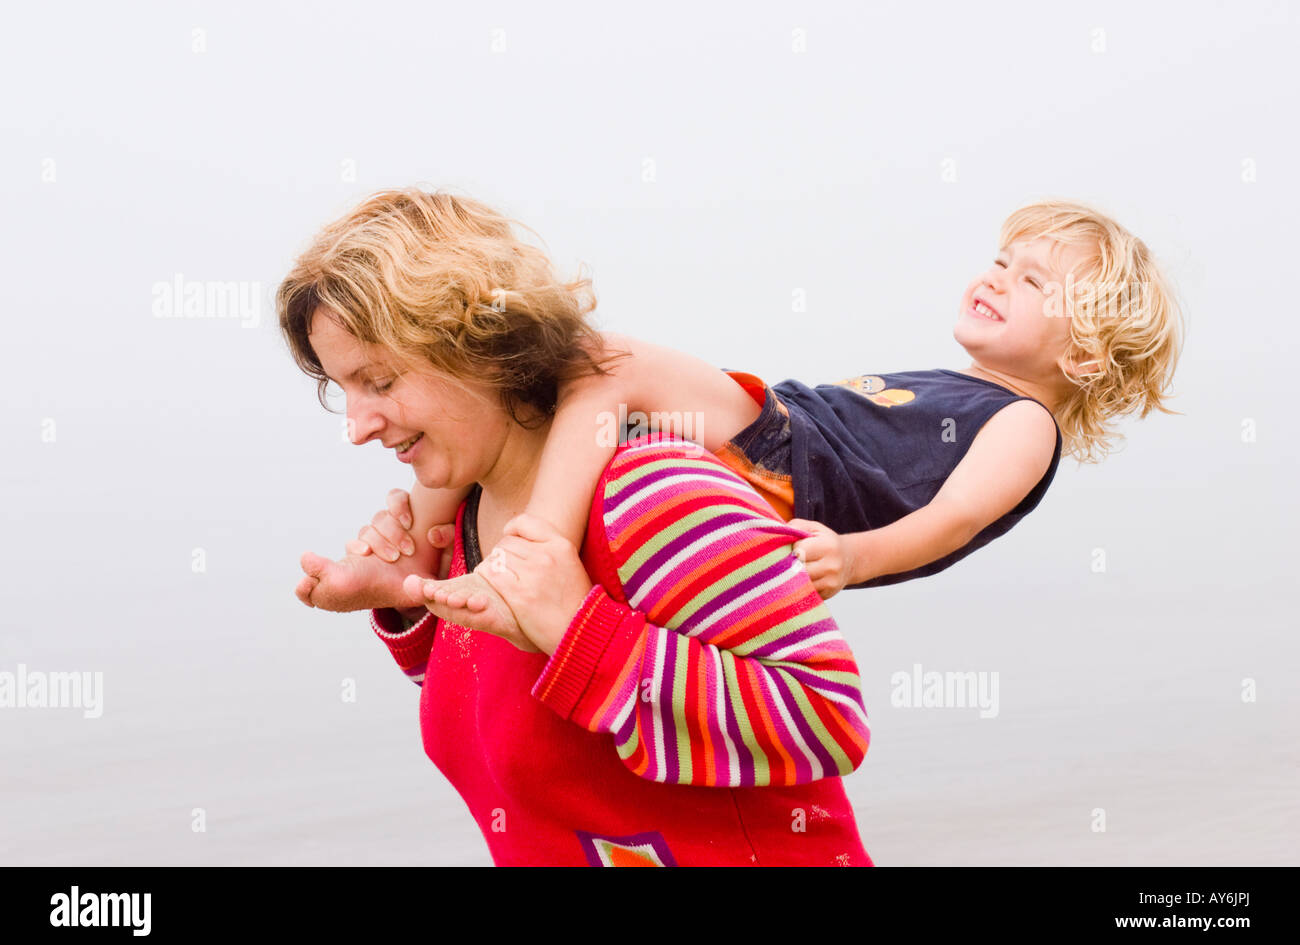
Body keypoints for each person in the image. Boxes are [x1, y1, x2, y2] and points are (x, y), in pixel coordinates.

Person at [280, 188, 872, 866]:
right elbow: (533, 733)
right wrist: (408, 600)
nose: (357, 428)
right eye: (342, 391)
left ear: (479, 346)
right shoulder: (462, 521)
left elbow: (828, 719)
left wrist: (578, 632)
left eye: (380, 382)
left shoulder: (649, 495)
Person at [314, 199, 1184, 614]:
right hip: (774, 438)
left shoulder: (1025, 423)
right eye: (1001, 258)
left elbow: (953, 520)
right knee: (548, 401)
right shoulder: (964, 388)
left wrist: (855, 556)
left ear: (1083, 351)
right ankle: (422, 555)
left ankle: (527, 560)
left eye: (1032, 280)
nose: (997, 275)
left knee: (599, 361)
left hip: (787, 460)